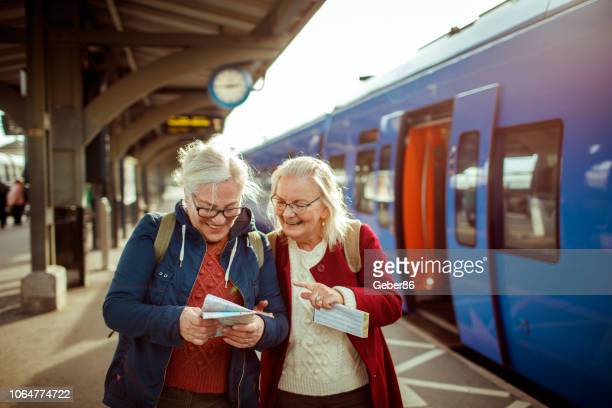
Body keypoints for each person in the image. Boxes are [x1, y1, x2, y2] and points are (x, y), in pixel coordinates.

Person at [102, 140, 288, 408]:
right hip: (153, 396)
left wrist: (261, 329)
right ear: (187, 196)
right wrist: (175, 320)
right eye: (207, 208)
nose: (219, 219)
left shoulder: (256, 246)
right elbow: (116, 309)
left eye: (230, 208)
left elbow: (280, 322)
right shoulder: (155, 231)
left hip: (227, 400)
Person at [260, 157, 403, 408]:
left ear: (325, 207)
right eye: (281, 202)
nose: (287, 213)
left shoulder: (357, 238)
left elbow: (391, 302)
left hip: (354, 393)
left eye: (299, 204)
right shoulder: (269, 247)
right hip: (288, 394)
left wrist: (342, 296)